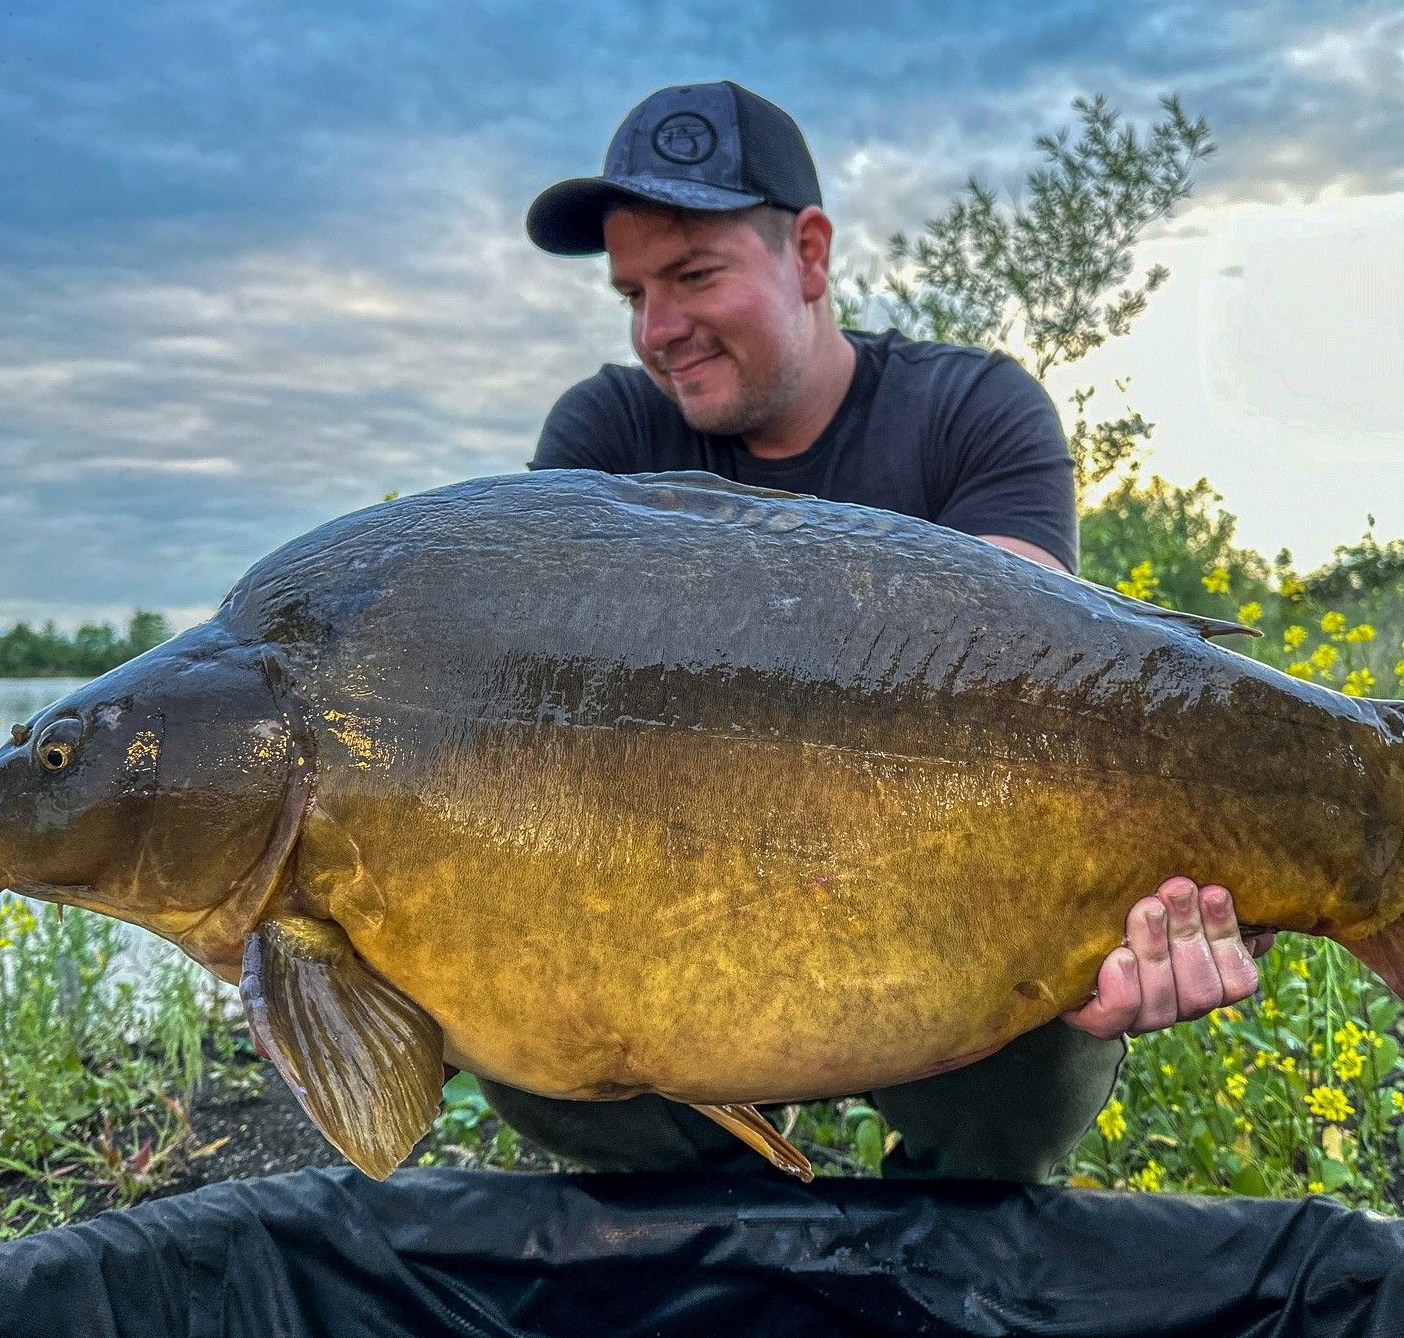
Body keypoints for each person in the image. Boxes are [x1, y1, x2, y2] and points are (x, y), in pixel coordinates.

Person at [494, 80, 1273, 1183]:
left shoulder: (975, 411)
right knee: (516, 1009)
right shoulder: (606, 433)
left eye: (694, 276)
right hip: (681, 905)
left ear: (809, 256)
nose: (656, 330)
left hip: (941, 901)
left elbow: (1036, 681)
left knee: (1038, 1053)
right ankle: (711, 1229)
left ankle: (935, 1241)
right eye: (631, 292)